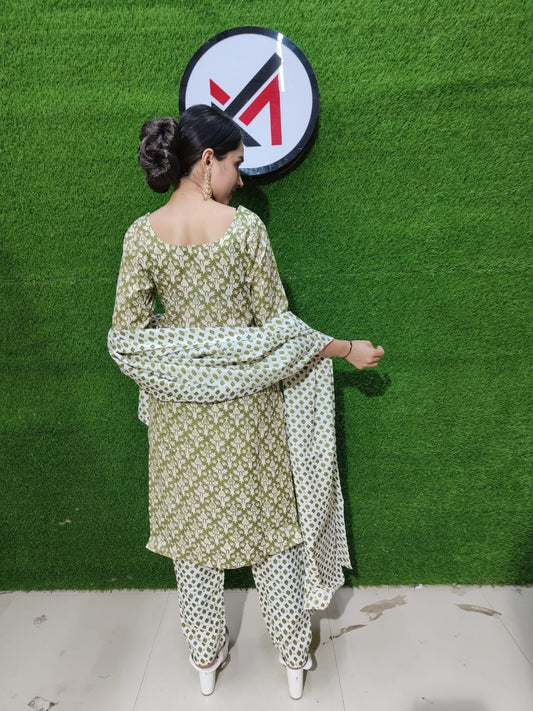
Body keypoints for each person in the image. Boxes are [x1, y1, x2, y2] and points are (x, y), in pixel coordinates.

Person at [108, 104, 384, 699]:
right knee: (273, 534)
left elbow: (127, 341)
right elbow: (278, 331)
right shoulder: (244, 230)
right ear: (207, 160)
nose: (240, 179)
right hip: (249, 415)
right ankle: (293, 659)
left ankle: (205, 659)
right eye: (236, 164)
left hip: (179, 419)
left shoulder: (141, 236)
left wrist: (184, 351)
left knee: (193, 542)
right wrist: (344, 349)